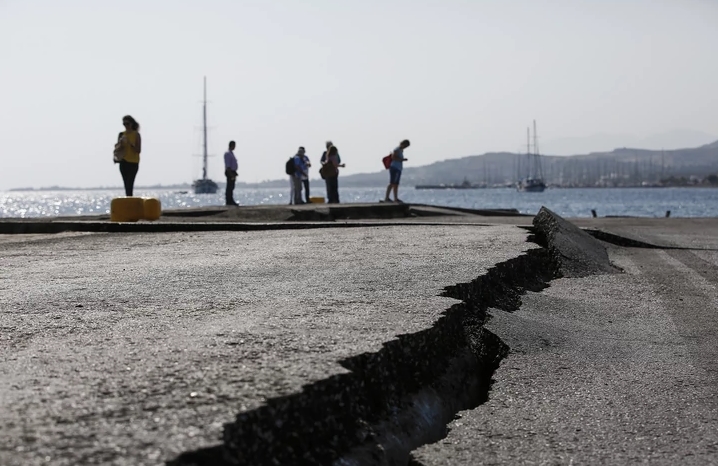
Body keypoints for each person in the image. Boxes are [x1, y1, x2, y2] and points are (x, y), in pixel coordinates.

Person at [115, 115, 142, 196]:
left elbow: (138, 150)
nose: (126, 126)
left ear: (131, 124)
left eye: (127, 124)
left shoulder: (136, 134)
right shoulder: (121, 134)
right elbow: (117, 148)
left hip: (133, 162)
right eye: (124, 124)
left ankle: (130, 197)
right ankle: (128, 198)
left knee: (130, 182)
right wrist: (121, 143)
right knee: (126, 182)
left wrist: (130, 143)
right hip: (124, 161)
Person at [224, 141, 239, 206]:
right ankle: (229, 201)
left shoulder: (231, 153)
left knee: (232, 186)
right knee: (229, 187)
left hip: (233, 171)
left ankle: (231, 200)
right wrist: (231, 173)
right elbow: (228, 165)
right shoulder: (228, 154)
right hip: (230, 171)